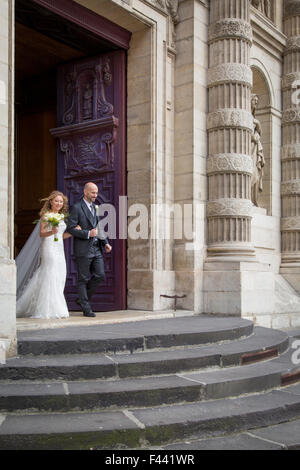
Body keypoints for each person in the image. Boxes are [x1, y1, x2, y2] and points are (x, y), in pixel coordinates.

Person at [16, 190, 73, 319]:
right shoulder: (45, 216)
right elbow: (42, 234)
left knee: (59, 273)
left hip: (59, 248)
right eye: (56, 201)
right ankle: (48, 308)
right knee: (50, 272)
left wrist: (72, 233)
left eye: (61, 201)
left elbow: (60, 235)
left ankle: (56, 305)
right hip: (49, 247)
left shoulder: (61, 217)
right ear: (51, 202)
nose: (59, 203)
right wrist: (52, 232)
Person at [66, 182, 112, 317]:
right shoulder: (76, 207)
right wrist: (87, 233)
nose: (95, 195)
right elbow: (70, 229)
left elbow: (99, 227)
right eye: (93, 193)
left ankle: (81, 299)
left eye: (96, 193)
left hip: (97, 248)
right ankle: (86, 308)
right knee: (83, 279)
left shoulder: (95, 208)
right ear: (85, 192)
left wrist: (105, 243)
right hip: (83, 249)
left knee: (100, 275)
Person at [251, 94, 265, 207]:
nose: (256, 102)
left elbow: (259, 133)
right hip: (247, 148)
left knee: (255, 172)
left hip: (254, 149)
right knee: (250, 172)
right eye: (254, 100)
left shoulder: (255, 120)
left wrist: (258, 123)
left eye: (257, 101)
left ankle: (253, 199)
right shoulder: (247, 117)